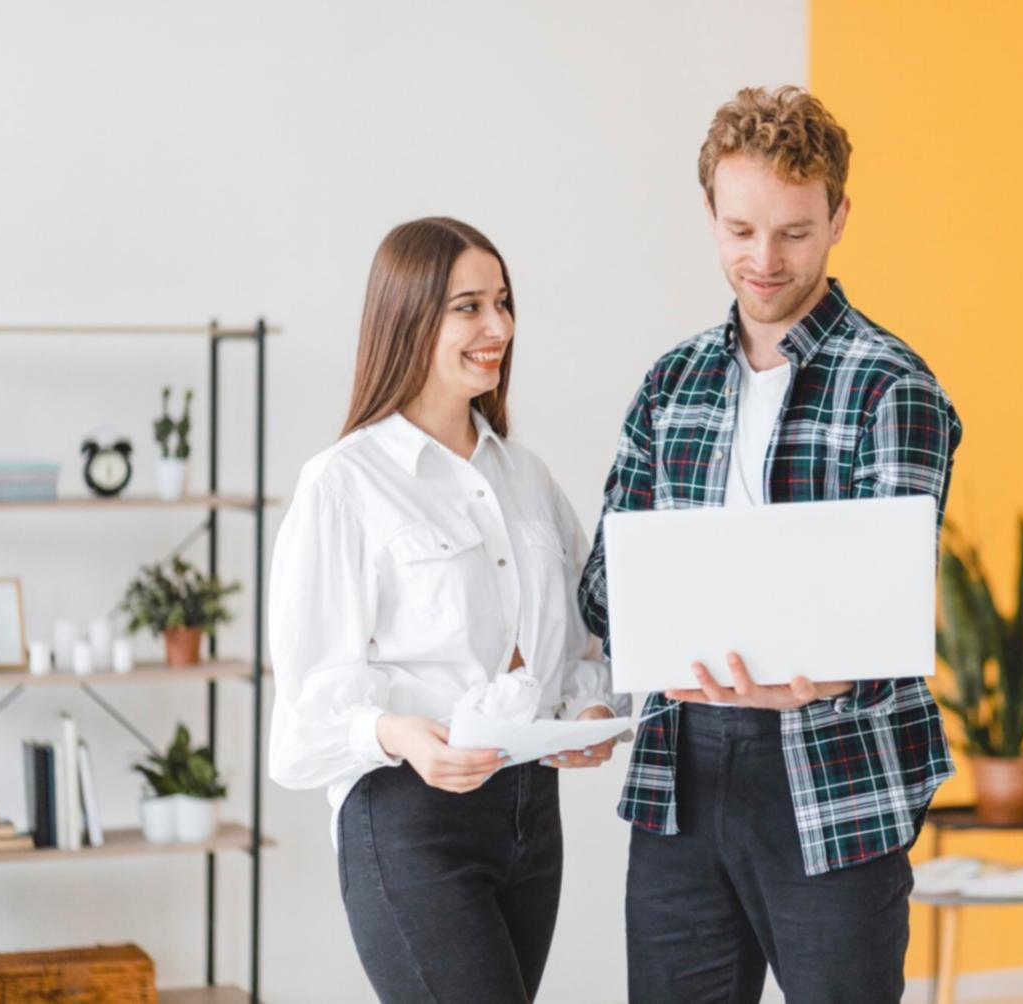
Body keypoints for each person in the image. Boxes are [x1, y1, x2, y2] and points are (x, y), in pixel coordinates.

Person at [578, 86, 963, 1003]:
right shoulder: (670, 383)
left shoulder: (891, 386)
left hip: (832, 774)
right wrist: (651, 614)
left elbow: (895, 606)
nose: (763, 259)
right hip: (681, 773)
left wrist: (827, 671)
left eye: (793, 231)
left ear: (837, 218)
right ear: (709, 214)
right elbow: (603, 581)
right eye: (741, 229)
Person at [268, 217, 625, 1003]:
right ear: (408, 317)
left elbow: (578, 640)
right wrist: (397, 733)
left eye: (502, 303)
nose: (496, 327)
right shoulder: (343, 483)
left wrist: (588, 706)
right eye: (468, 307)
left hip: (533, 818)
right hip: (410, 819)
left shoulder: (525, 476)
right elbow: (303, 711)